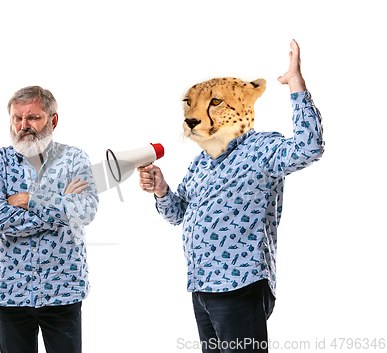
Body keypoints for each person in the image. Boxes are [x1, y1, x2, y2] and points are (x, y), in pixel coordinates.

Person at [138, 40, 324, 352]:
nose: (194, 115)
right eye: (192, 104)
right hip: (201, 287)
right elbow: (178, 214)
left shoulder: (262, 148)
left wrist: (296, 84)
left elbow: (309, 148)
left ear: (244, 105)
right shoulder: (201, 161)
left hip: (239, 286)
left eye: (214, 103)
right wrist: (161, 190)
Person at [0, 86, 98, 353]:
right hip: (9, 292)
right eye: (17, 119)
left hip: (63, 290)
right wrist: (61, 208)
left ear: (52, 120)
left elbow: (86, 210)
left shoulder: (74, 159)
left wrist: (31, 201)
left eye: (33, 118)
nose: (23, 126)